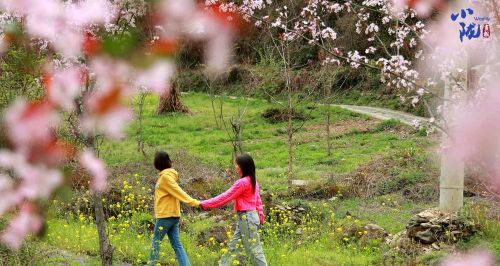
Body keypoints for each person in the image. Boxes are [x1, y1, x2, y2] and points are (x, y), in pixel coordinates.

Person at [200, 154, 268, 266]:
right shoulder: (252, 180)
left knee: (254, 250)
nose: (235, 166)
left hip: (247, 218)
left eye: (237, 164)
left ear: (243, 166)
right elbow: (258, 200)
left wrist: (205, 204)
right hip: (248, 218)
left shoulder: (242, 183)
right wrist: (260, 216)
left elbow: (225, 196)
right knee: (233, 246)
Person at [148, 151, 199, 266]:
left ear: (157, 163)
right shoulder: (167, 176)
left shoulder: (165, 177)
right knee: (176, 244)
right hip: (173, 215)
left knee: (156, 241)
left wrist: (194, 202)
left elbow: (178, 192)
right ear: (168, 161)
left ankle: (151, 264)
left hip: (165, 216)